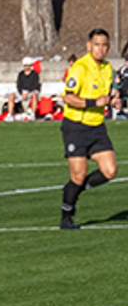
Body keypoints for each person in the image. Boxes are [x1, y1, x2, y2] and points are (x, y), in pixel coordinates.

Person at [59, 29, 120, 230]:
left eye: (104, 45)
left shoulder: (107, 68)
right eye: (96, 44)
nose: (100, 49)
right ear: (88, 45)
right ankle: (67, 215)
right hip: (75, 126)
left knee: (110, 171)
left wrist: (114, 99)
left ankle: (74, 191)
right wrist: (94, 102)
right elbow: (68, 97)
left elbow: (107, 94)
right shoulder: (80, 67)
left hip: (97, 127)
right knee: (78, 175)